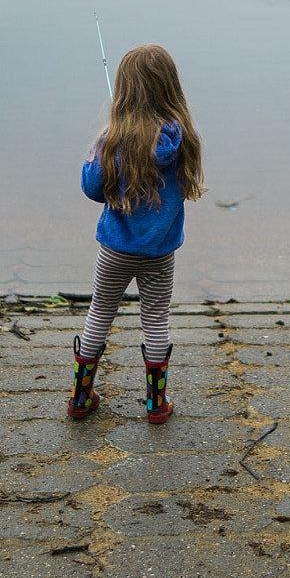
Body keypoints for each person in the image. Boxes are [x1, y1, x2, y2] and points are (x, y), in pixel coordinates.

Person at [68, 44, 205, 423]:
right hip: (160, 251)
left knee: (100, 311)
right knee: (156, 317)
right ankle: (156, 405)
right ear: (169, 87)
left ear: (124, 89)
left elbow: (92, 189)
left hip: (115, 248)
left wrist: (102, 149)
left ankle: (81, 398)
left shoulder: (114, 139)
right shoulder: (183, 138)